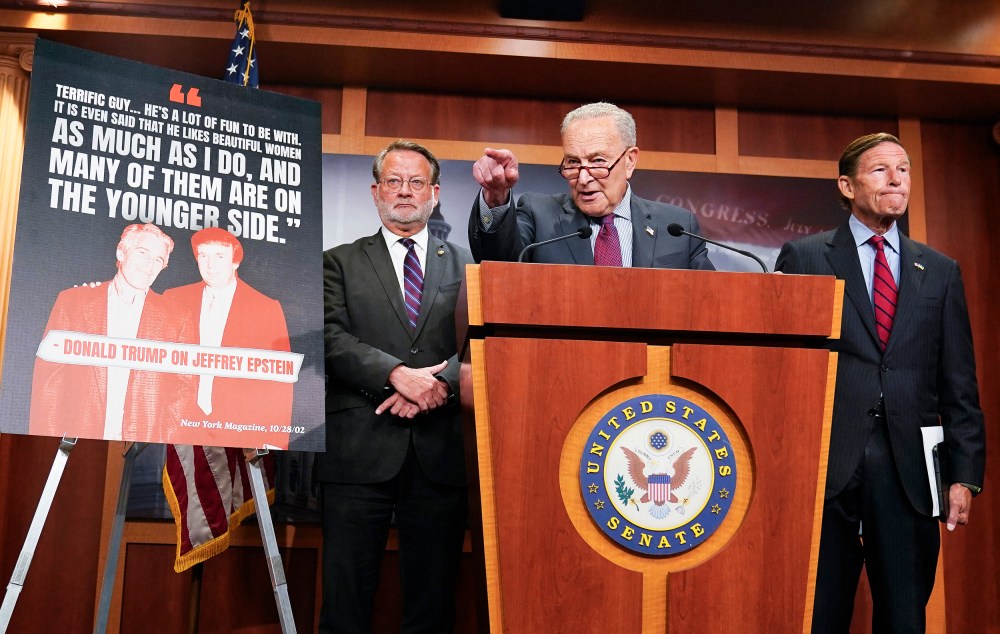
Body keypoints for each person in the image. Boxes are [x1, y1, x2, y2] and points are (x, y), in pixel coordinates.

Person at [775, 133, 986, 632]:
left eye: (904, 169)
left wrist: (964, 474)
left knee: (903, 618)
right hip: (826, 466)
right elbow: (783, 374)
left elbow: (959, 382)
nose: (896, 179)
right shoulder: (804, 257)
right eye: (880, 170)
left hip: (908, 471)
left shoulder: (939, 270)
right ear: (846, 185)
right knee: (819, 616)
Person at [319, 140, 474, 632]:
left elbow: (482, 339)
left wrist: (442, 384)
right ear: (375, 190)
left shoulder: (468, 265)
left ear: (434, 192)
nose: (404, 192)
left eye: (416, 182)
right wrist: (395, 375)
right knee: (345, 599)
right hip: (357, 450)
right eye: (394, 181)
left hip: (439, 452)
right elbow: (327, 335)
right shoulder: (337, 262)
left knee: (432, 603)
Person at [468, 101, 715, 269]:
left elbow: (709, 303)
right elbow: (498, 265)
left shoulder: (678, 228)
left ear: (629, 161)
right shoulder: (539, 214)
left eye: (597, 161)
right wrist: (496, 196)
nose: (583, 179)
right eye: (573, 162)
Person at [29, 222, 185, 442]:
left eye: (158, 260)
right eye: (142, 253)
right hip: (78, 442)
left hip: (144, 447)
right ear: (121, 252)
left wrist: (161, 442)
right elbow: (50, 383)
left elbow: (182, 390)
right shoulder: (73, 302)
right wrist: (47, 440)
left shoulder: (175, 318)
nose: (149, 266)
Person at [163, 227, 293, 448]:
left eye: (219, 256)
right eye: (203, 256)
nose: (210, 264)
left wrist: (274, 441)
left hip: (241, 431)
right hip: (178, 426)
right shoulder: (173, 299)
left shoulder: (265, 308)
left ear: (236, 262)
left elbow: (281, 382)